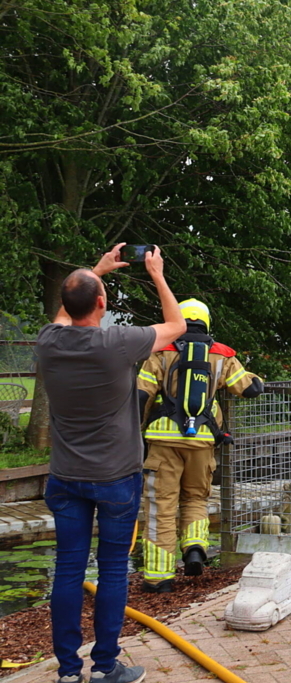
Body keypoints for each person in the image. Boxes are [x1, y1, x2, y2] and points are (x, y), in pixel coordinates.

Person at [36, 243, 185, 683]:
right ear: (102, 304)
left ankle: (68, 672)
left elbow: (65, 315)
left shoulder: (48, 342)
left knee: (68, 570)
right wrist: (156, 274)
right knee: (113, 569)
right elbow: (177, 326)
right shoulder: (118, 343)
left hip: (65, 478)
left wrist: (96, 271)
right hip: (116, 479)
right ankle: (105, 668)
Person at [136, 299, 263, 593]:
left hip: (163, 442)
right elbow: (248, 388)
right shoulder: (221, 354)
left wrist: (138, 432)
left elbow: (141, 396)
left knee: (161, 507)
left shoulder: (160, 351)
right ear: (206, 322)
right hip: (203, 440)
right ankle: (194, 547)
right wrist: (257, 378)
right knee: (195, 498)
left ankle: (158, 578)